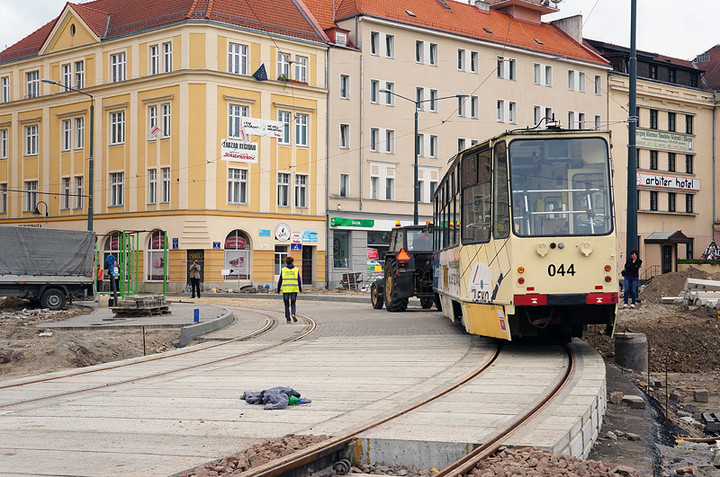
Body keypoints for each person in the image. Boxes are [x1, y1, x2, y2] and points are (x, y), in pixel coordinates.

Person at [277, 256, 302, 323]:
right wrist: (300, 288)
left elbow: (280, 280)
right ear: (292, 262)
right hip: (294, 289)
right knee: (293, 303)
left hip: (285, 289)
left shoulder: (283, 270)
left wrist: (278, 289)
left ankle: (288, 319)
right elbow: (299, 280)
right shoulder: (296, 269)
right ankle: (293, 313)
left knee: (286, 304)